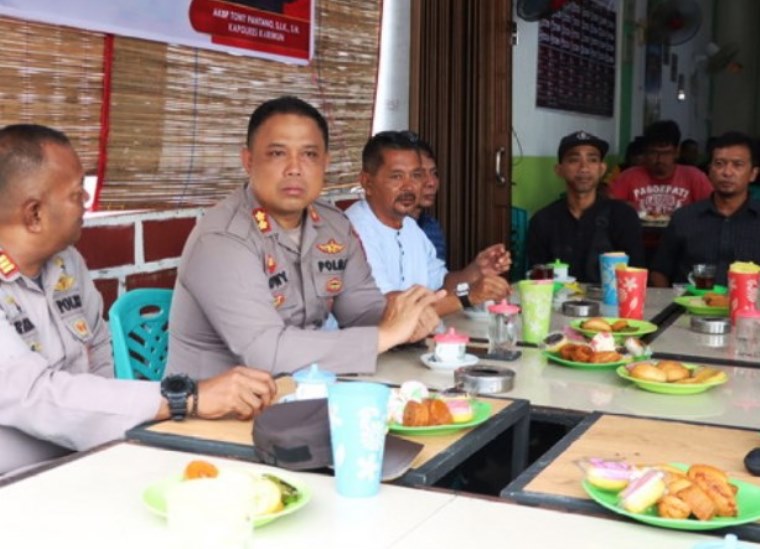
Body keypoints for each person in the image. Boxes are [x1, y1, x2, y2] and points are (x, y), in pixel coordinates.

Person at [0, 124, 278, 475]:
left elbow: (100, 358)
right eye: (75, 193)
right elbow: (35, 395)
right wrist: (184, 398)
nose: (86, 202)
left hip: (85, 458)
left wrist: (113, 444)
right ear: (34, 214)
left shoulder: (66, 262)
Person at [166, 97, 442, 379]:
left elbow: (361, 310)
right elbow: (266, 352)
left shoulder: (334, 225)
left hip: (305, 389)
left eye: (309, 154)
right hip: (217, 403)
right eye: (277, 153)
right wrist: (385, 336)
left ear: (325, 163)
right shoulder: (222, 239)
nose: (295, 168)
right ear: (248, 161)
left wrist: (407, 319)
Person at [345, 131, 510, 316]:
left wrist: (477, 270)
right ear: (367, 182)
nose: (409, 186)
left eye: (416, 175)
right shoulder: (353, 230)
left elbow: (441, 284)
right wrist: (468, 296)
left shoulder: (410, 227)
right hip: (371, 334)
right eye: (397, 176)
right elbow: (390, 306)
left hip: (414, 332)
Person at [526, 131, 645, 283]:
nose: (584, 168)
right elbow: (537, 279)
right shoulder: (543, 220)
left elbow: (635, 275)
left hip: (611, 297)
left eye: (592, 160)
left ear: (602, 169)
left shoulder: (623, 216)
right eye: (574, 160)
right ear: (559, 170)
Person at [651, 131, 760, 287]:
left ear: (753, 174)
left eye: (737, 165)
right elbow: (660, 271)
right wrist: (667, 300)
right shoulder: (684, 218)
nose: (727, 172)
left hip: (750, 302)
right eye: (719, 164)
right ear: (709, 171)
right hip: (689, 302)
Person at [609, 120, 712, 218]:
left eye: (666, 153)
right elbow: (611, 207)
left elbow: (711, 209)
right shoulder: (628, 176)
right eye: (653, 153)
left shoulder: (694, 177)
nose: (659, 159)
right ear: (646, 152)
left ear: (677, 152)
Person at [410, 135, 447, 261]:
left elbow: (438, 273)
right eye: (419, 174)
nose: (431, 183)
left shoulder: (431, 227)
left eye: (434, 173)